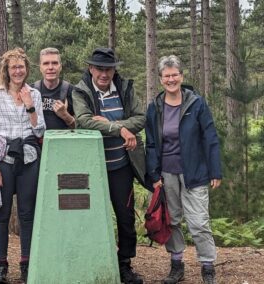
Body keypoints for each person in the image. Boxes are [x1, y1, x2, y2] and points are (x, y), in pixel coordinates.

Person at [145, 55, 222, 284]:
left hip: (195, 172)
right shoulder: (155, 107)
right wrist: (154, 174)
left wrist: (215, 170)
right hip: (166, 174)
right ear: (160, 79)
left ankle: (208, 266)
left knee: (199, 222)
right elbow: (150, 143)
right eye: (166, 76)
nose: (171, 79)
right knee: (172, 220)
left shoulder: (196, 103)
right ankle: (176, 265)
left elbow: (210, 137)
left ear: (182, 76)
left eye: (174, 75)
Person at [72, 47, 145, 284]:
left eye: (109, 69)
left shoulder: (125, 89)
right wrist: (120, 129)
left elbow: (141, 118)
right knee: (88, 216)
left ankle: (124, 265)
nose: (104, 74)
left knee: (125, 217)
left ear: (114, 70)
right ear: (91, 68)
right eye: (99, 68)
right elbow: (83, 120)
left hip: (121, 166)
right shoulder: (81, 91)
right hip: (91, 168)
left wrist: (113, 123)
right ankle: (92, 260)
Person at [0, 48, 45, 284]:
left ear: (27, 69)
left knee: (27, 215)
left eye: (21, 67)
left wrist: (29, 106)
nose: (18, 71)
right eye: (13, 68)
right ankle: (0, 266)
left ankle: (26, 264)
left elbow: (40, 131)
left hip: (28, 158)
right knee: (3, 214)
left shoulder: (34, 95)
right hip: (4, 159)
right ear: (6, 71)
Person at [33, 47, 75, 130]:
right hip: (36, 142)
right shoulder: (31, 91)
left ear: (60, 66)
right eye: (46, 63)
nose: (50, 67)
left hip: (63, 140)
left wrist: (65, 115)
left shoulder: (72, 91)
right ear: (40, 67)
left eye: (55, 63)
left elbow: (81, 127)